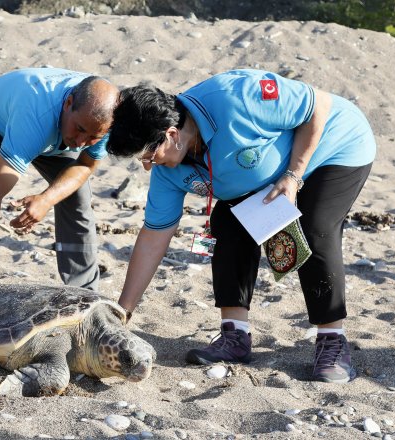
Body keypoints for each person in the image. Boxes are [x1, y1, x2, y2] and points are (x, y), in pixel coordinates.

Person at [107, 69, 375, 383]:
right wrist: (122, 312)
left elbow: (319, 106)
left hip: (335, 145)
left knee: (315, 227)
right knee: (226, 224)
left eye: (149, 153)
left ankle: (332, 341)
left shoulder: (238, 96)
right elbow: (154, 236)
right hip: (262, 178)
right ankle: (235, 336)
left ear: (171, 134)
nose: (148, 164)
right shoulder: (168, 172)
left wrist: (293, 175)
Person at [0, 68, 119, 296]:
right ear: (68, 103)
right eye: (80, 129)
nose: (82, 142)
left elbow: (85, 165)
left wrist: (46, 199)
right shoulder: (35, 115)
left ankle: (84, 295)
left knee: (76, 195)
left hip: (53, 136)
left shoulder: (104, 120)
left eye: (93, 137)